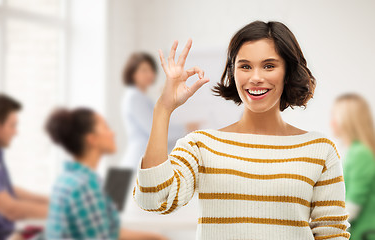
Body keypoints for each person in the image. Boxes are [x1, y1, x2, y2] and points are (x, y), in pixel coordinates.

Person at [132, 21, 351, 239]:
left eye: (269, 66)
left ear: (288, 72)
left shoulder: (320, 150)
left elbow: (332, 233)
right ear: (233, 73)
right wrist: (163, 108)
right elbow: (154, 199)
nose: (255, 77)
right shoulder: (201, 145)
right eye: (245, 66)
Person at [45, 107, 167, 240]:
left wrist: (155, 237)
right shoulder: (85, 187)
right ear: (92, 139)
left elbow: (108, 231)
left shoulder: (67, 179)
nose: (112, 133)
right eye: (105, 127)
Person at [121, 52, 199, 169]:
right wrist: (186, 128)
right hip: (135, 163)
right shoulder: (135, 97)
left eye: (151, 70)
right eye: (144, 70)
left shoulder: (139, 97)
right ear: (132, 73)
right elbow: (155, 130)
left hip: (137, 162)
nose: (149, 74)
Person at [0, 94, 49, 240]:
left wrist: (50, 200)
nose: (16, 132)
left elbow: (6, 190)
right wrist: (61, 212)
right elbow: (10, 209)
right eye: (12, 126)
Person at [331, 93, 375, 240]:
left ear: (347, 120)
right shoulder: (355, 151)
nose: (331, 122)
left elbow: (354, 203)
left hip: (363, 234)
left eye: (334, 116)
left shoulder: (360, 153)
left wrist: (327, 229)